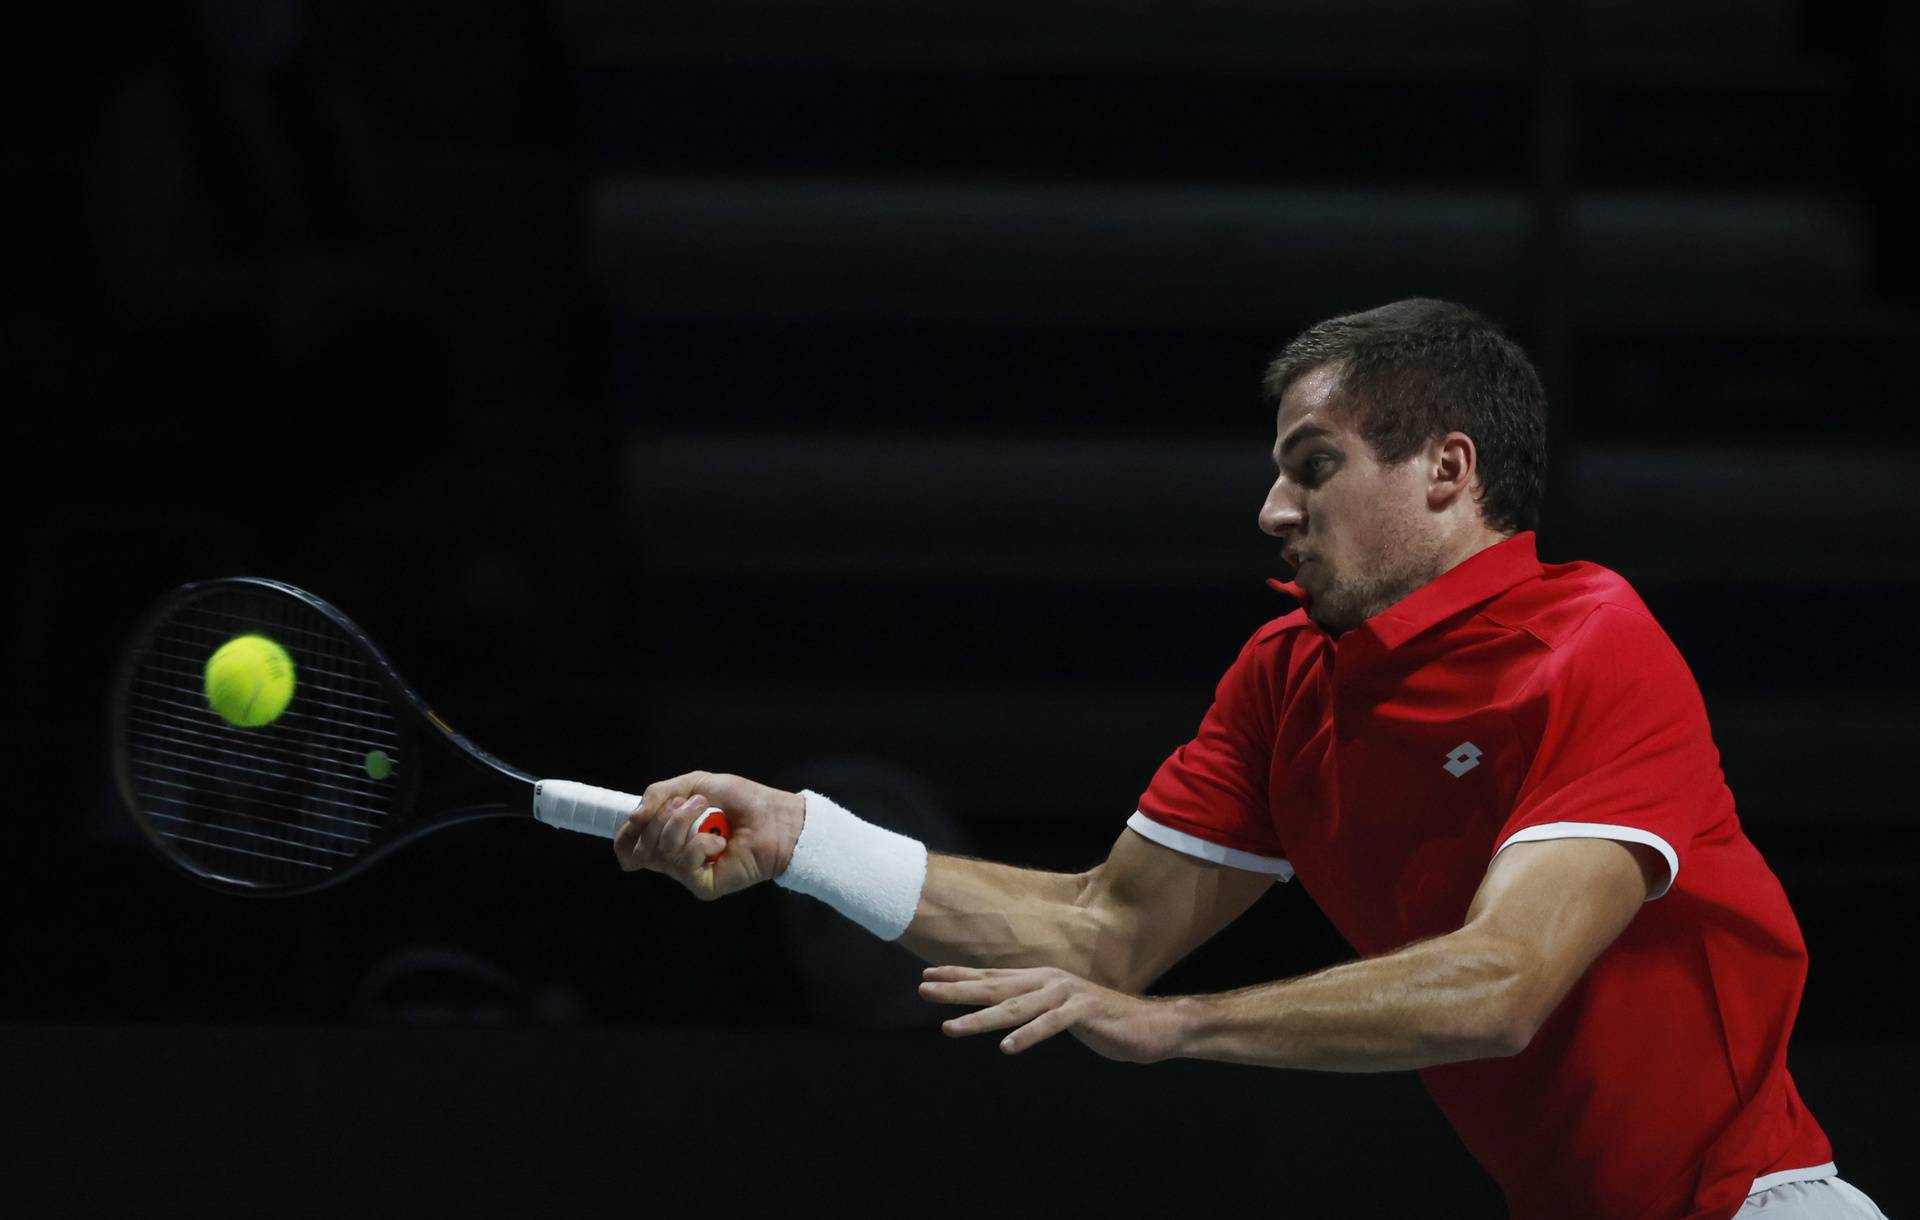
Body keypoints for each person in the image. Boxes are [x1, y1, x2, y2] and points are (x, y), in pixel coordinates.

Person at [612, 299, 1886, 1220]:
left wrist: (1179, 1026)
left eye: (1313, 467)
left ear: (1448, 470)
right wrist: (804, 840)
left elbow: (1503, 982)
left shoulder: (1589, 641)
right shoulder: (1289, 678)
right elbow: (1099, 930)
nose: (1274, 512)